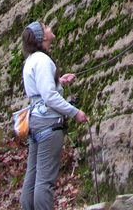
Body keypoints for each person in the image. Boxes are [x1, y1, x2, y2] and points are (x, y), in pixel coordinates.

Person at [20, 21, 89, 210]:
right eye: (45, 27)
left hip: (36, 121)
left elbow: (40, 91)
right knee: (45, 180)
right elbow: (49, 96)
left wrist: (58, 81)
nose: (50, 28)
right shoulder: (42, 60)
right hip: (49, 124)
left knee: (32, 176)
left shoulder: (31, 60)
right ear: (41, 37)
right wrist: (75, 112)